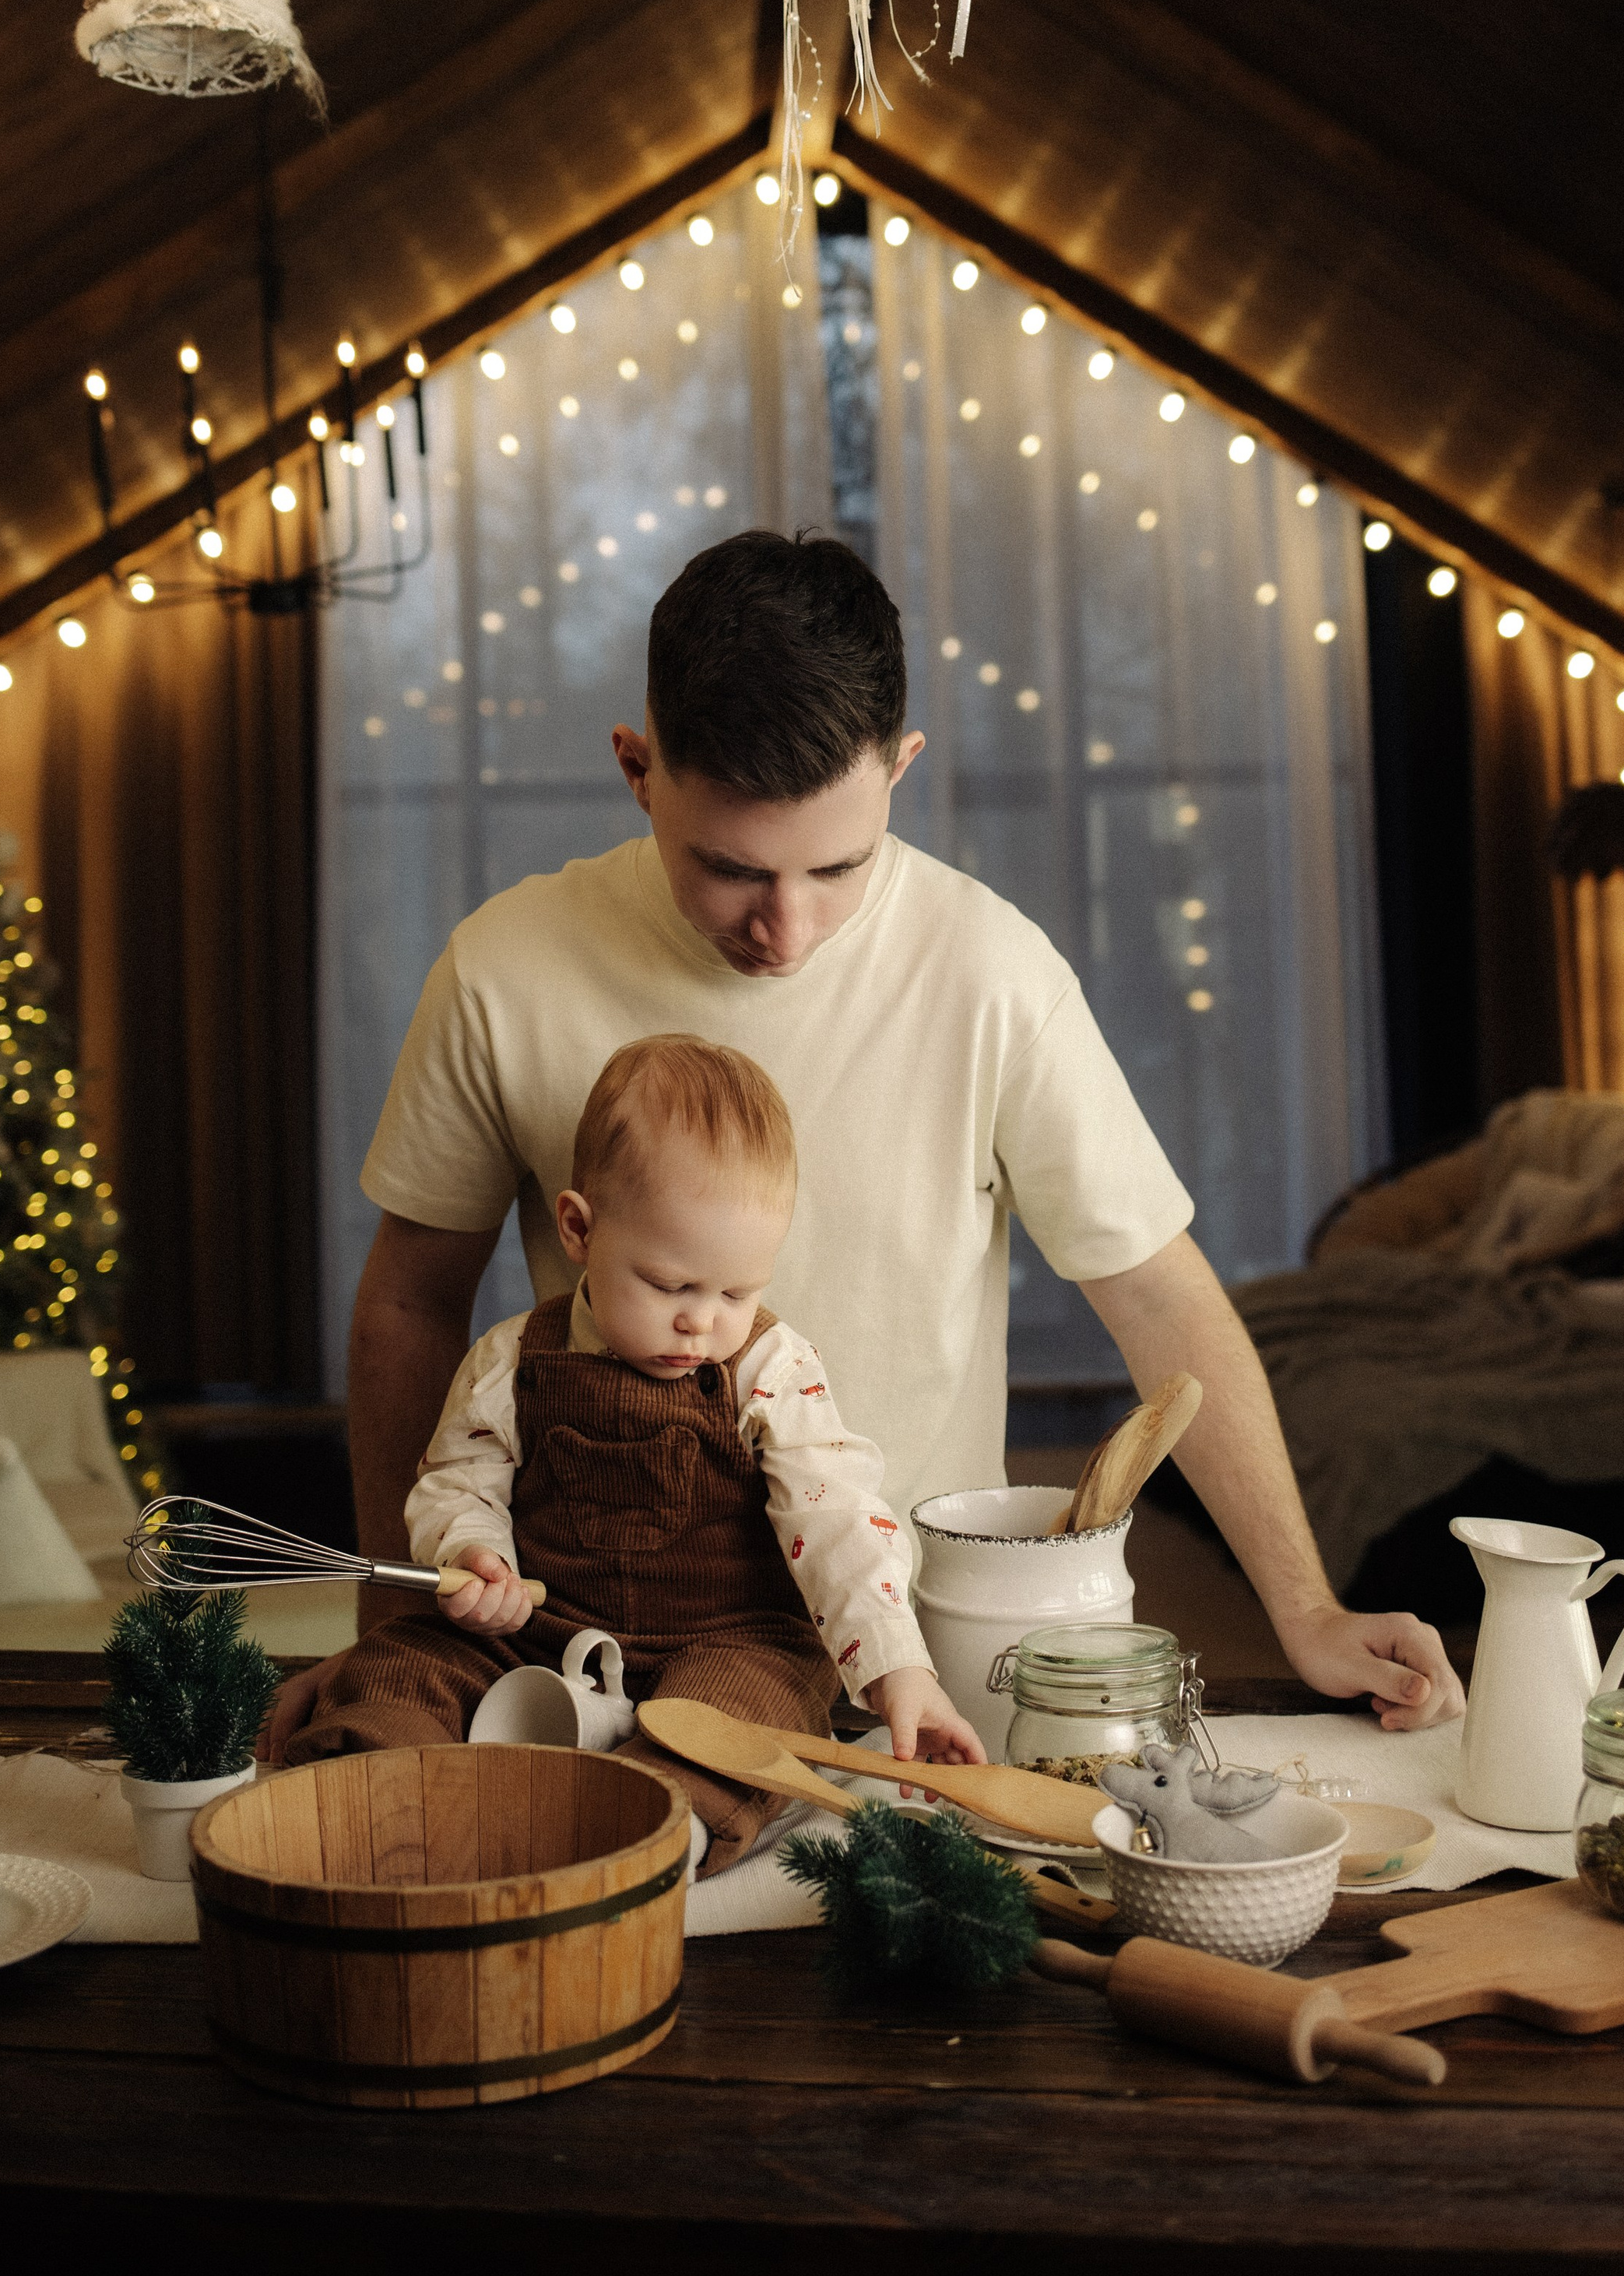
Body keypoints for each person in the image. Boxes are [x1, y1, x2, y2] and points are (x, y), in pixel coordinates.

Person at [272, 529, 1461, 1755]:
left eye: (838, 867)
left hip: (902, 1664)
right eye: (731, 870)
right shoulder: (503, 969)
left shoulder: (993, 972)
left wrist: (1307, 1608)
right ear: (638, 769)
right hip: (573, 1639)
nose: (785, 930)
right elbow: (412, 1302)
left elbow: (1158, 1295)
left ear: (902, 768)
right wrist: (392, 1619)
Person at [285, 1035, 982, 1867]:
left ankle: (656, 1832)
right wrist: (474, 1554)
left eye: (736, 1291)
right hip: (542, 1634)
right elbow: (455, 1481)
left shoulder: (771, 1368)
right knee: (402, 1664)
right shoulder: (512, 1360)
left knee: (746, 1714)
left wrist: (901, 1672)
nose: (702, 1321)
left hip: (729, 1639)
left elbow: (838, 1519)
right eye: (668, 1284)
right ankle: (378, 1794)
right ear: (579, 1229)